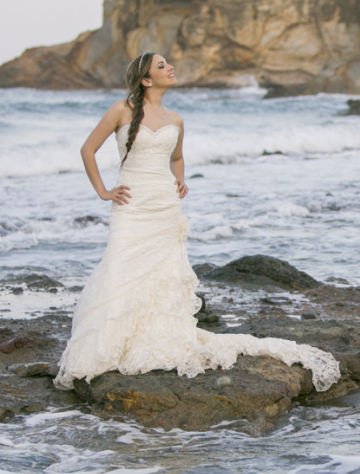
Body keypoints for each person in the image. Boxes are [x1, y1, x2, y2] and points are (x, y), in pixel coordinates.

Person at [53, 53, 340, 392]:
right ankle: (113, 342)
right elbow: (88, 150)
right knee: (120, 267)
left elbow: (176, 157)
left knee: (163, 272)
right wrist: (103, 191)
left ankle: (151, 338)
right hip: (132, 204)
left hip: (165, 204)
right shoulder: (121, 109)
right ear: (146, 79)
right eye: (161, 66)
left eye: (167, 64)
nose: (170, 68)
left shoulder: (176, 118)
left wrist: (180, 180)